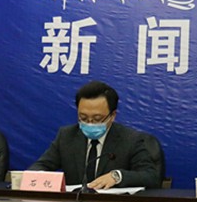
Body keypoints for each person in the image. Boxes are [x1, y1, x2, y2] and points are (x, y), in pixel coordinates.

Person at [29, 80, 160, 190]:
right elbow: (40, 166)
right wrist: (38, 176)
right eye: (83, 117)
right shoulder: (67, 136)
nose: (90, 123)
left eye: (97, 119)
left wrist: (117, 176)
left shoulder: (131, 139)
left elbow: (151, 177)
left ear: (112, 116)